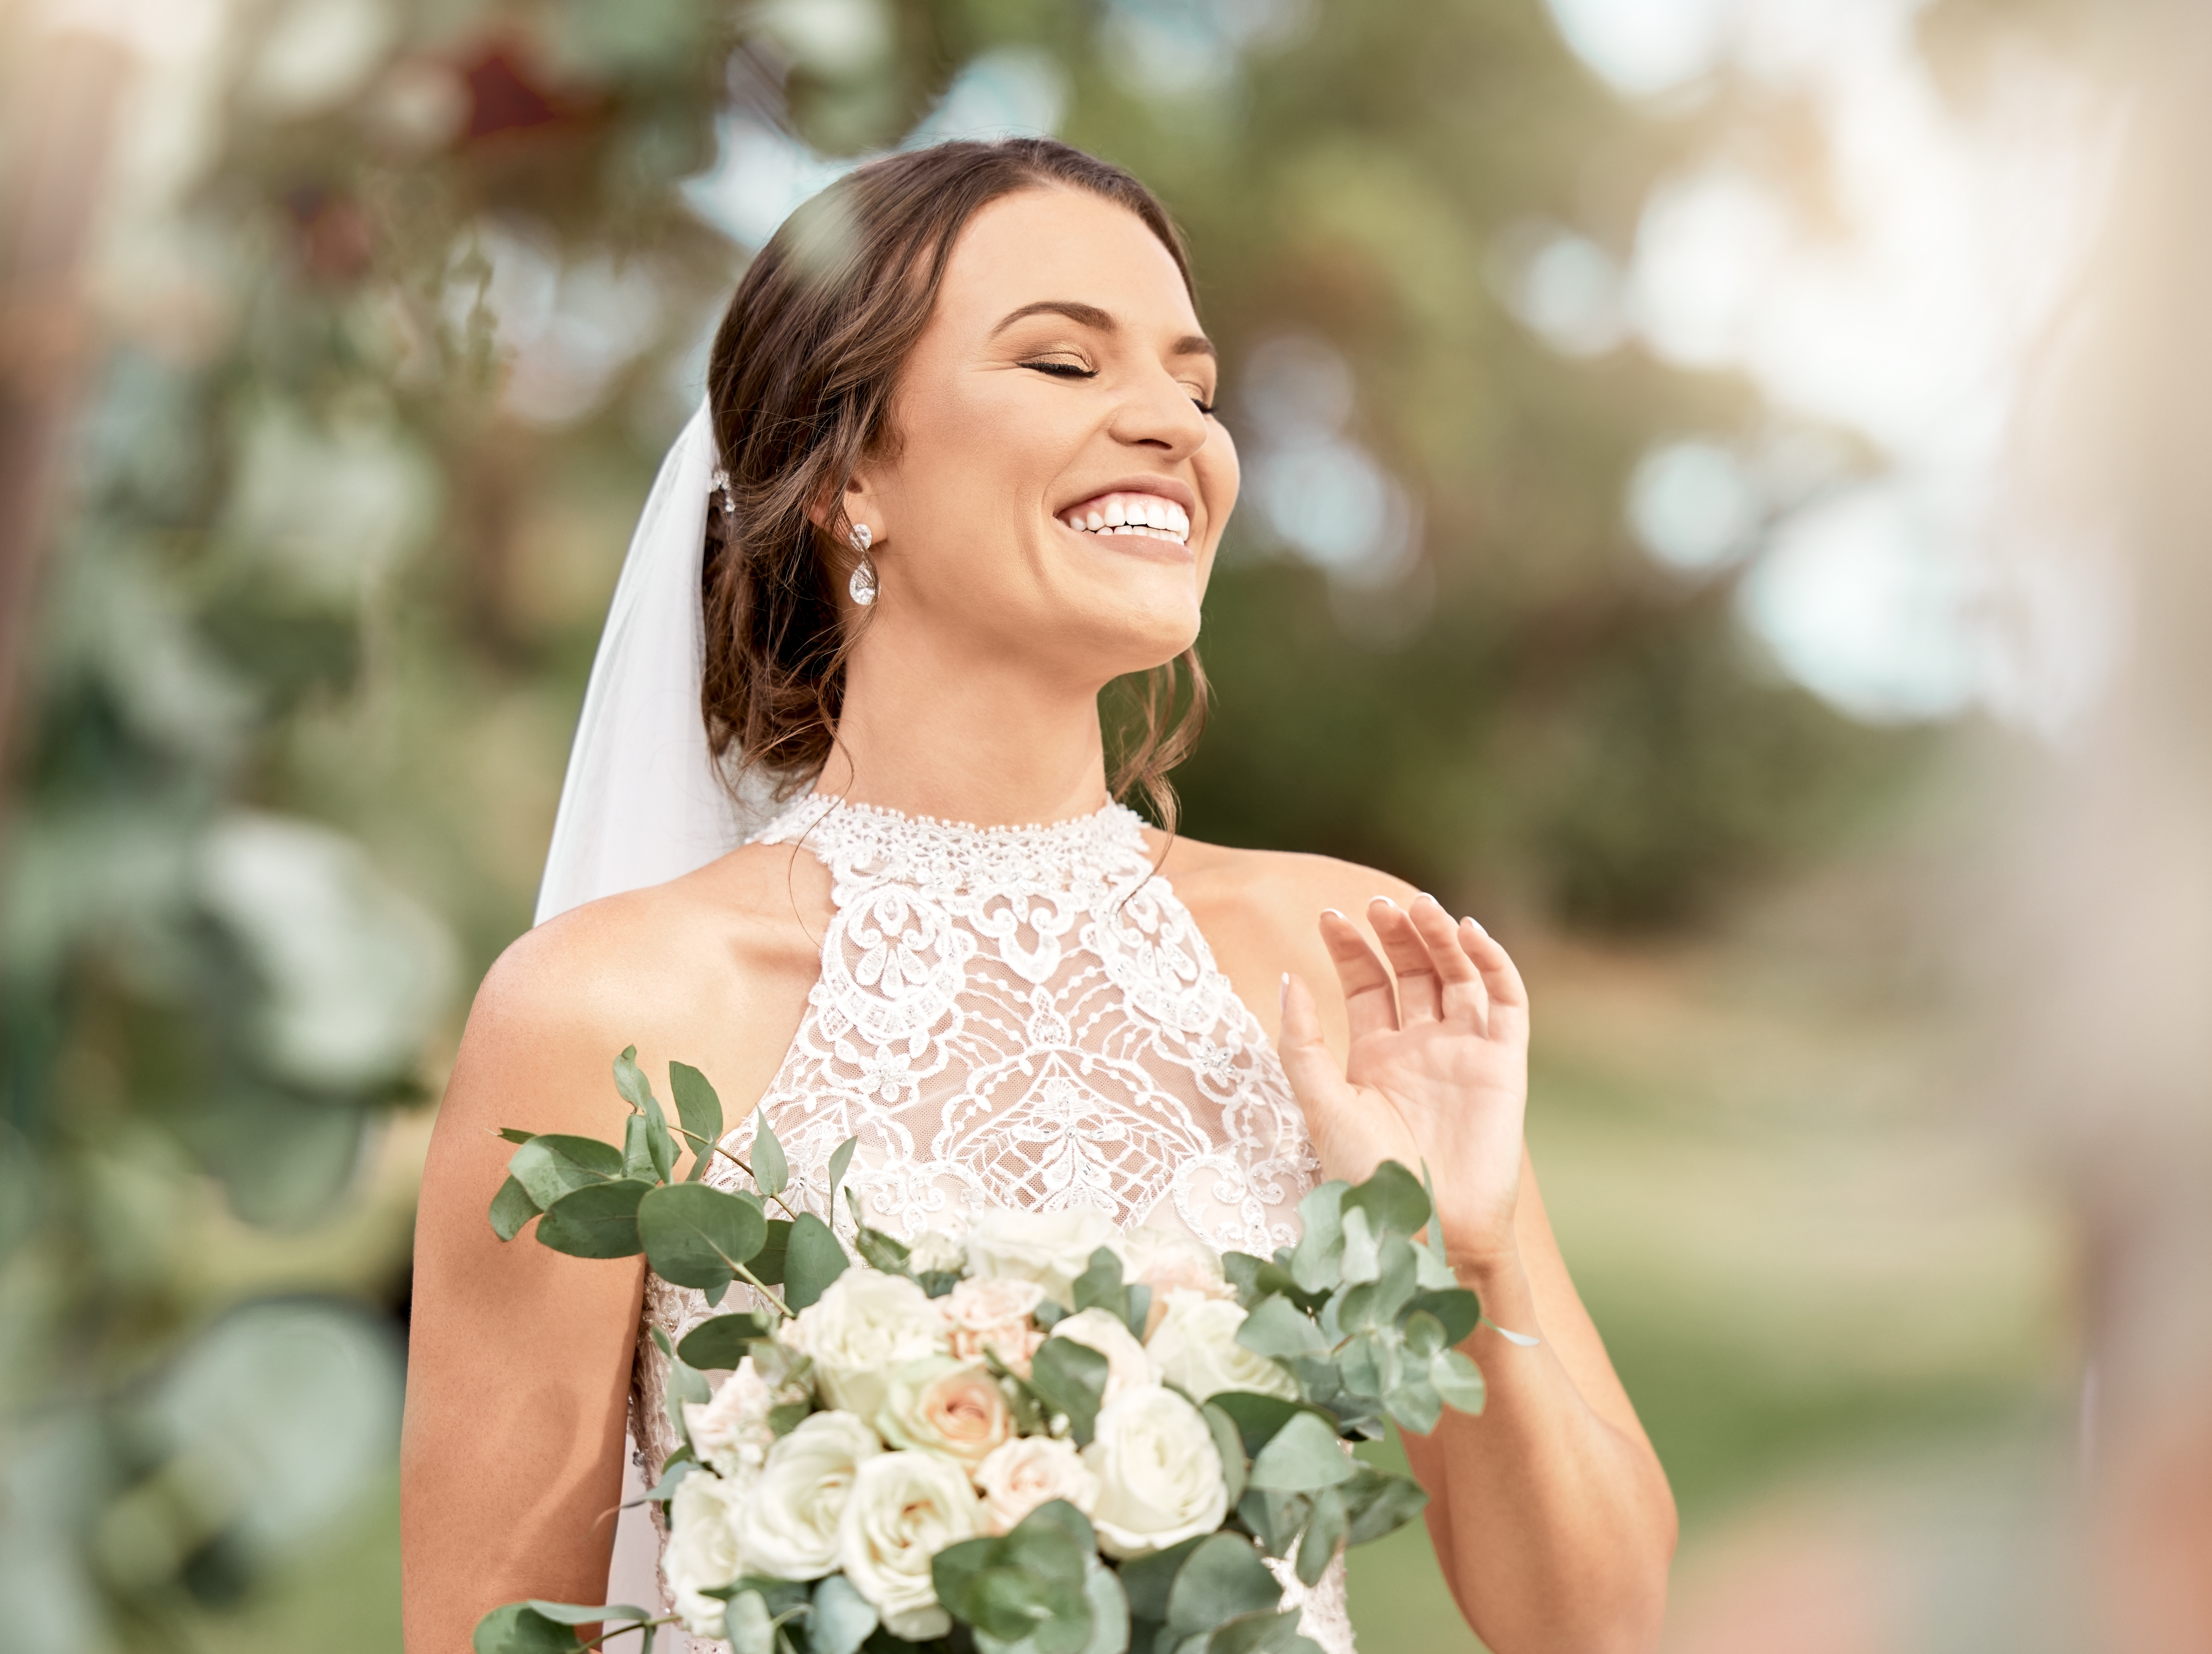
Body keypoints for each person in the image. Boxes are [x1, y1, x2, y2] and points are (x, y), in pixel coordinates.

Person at [402, 138, 1674, 1654]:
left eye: (1198, 390)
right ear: (849, 464)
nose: (1170, 427)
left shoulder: (1343, 964)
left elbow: (1597, 1626)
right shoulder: (604, 1017)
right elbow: (496, 1631)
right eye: (1064, 362)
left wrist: (1469, 1253)